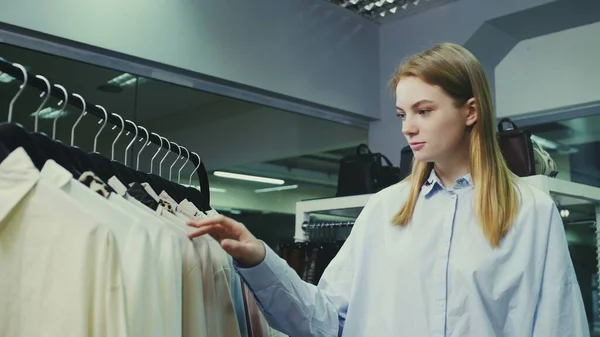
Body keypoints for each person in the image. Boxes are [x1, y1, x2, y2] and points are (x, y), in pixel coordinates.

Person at [187, 43, 589, 337]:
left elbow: (560, 326)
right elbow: (326, 321)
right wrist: (259, 258)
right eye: (402, 114)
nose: (407, 127)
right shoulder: (385, 211)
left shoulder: (531, 212)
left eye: (424, 111)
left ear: (470, 111)